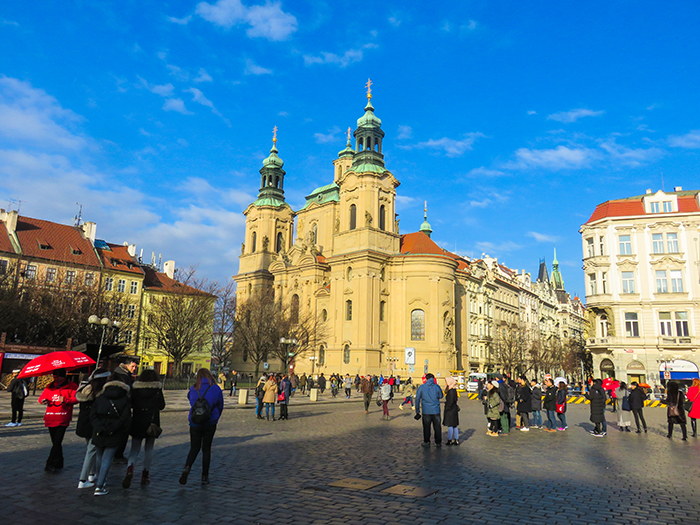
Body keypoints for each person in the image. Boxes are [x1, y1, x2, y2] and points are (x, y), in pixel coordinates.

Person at [180, 368, 224, 485]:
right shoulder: (215, 388)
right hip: (210, 422)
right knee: (206, 449)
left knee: (194, 448)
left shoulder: (193, 388)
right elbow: (220, 405)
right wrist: (216, 417)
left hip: (195, 422)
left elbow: (190, 400)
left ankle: (187, 467)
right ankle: (204, 476)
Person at [90, 373, 132, 496]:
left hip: (99, 431)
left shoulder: (101, 397)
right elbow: (125, 418)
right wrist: (113, 428)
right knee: (107, 459)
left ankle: (100, 480)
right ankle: (100, 485)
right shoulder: (125, 399)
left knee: (99, 457)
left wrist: (99, 427)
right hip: (114, 431)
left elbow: (93, 415)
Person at [123, 369, 166, 488]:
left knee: (134, 449)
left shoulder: (136, 389)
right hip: (152, 423)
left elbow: (131, 404)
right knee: (149, 449)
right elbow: (162, 406)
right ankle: (145, 475)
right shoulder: (157, 389)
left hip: (138, 421)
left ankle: (130, 468)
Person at [75, 369, 110, 489]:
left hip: (83, 423)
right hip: (94, 424)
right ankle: (83, 479)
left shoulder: (85, 390)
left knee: (92, 449)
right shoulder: (100, 393)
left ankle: (92, 473)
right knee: (92, 451)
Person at [38, 368, 78, 472]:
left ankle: (50, 463)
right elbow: (41, 398)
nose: (55, 379)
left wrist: (66, 400)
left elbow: (76, 399)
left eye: (57, 377)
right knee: (55, 442)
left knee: (57, 441)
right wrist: (43, 401)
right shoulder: (50, 386)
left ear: (63, 377)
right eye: (54, 377)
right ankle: (59, 461)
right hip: (51, 416)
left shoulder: (72, 386)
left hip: (63, 416)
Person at [112, 356, 138, 463]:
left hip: (117, 405)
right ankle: (118, 455)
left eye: (135, 367)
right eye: (133, 366)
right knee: (123, 430)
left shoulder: (117, 373)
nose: (134, 369)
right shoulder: (124, 377)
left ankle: (115, 453)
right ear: (126, 365)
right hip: (123, 406)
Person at [414, 372, 444, 447]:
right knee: (437, 427)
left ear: (426, 379)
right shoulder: (437, 387)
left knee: (426, 427)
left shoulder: (422, 387)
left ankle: (427, 441)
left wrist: (417, 411)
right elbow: (441, 396)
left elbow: (417, 399)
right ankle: (438, 442)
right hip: (436, 410)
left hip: (426, 411)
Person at [443, 377, 460, 445]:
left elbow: (450, 402)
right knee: (454, 425)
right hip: (453, 410)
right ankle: (456, 439)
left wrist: (447, 407)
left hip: (450, 411)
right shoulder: (453, 390)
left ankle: (449, 439)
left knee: (450, 425)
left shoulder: (451, 391)